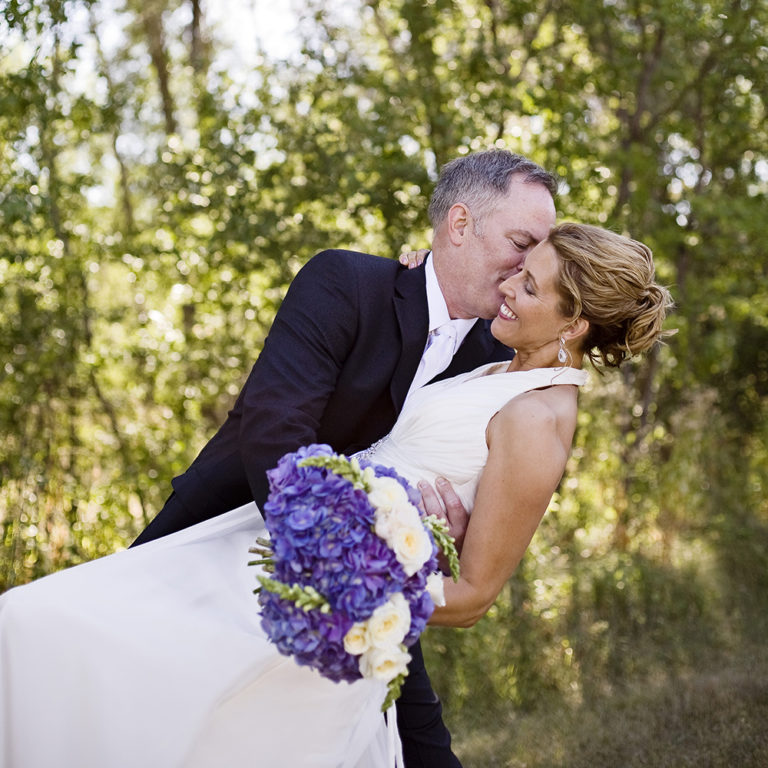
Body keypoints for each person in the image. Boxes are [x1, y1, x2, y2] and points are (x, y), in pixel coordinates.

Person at [0, 222, 673, 767]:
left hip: (325, 600)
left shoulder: (539, 420)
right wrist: (426, 265)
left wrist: (361, 589)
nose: (509, 287)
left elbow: (473, 597)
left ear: (574, 324)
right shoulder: (500, 360)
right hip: (273, 546)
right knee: (56, 637)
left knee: (112, 676)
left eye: (530, 286)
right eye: (517, 270)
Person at [131, 148, 558, 767]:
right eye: (522, 242)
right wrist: (348, 563)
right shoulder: (345, 284)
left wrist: (443, 532)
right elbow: (274, 437)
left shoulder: (491, 365)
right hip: (218, 539)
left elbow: (480, 508)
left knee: (416, 749)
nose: (531, 266)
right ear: (459, 225)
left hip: (363, 598)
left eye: (543, 254)